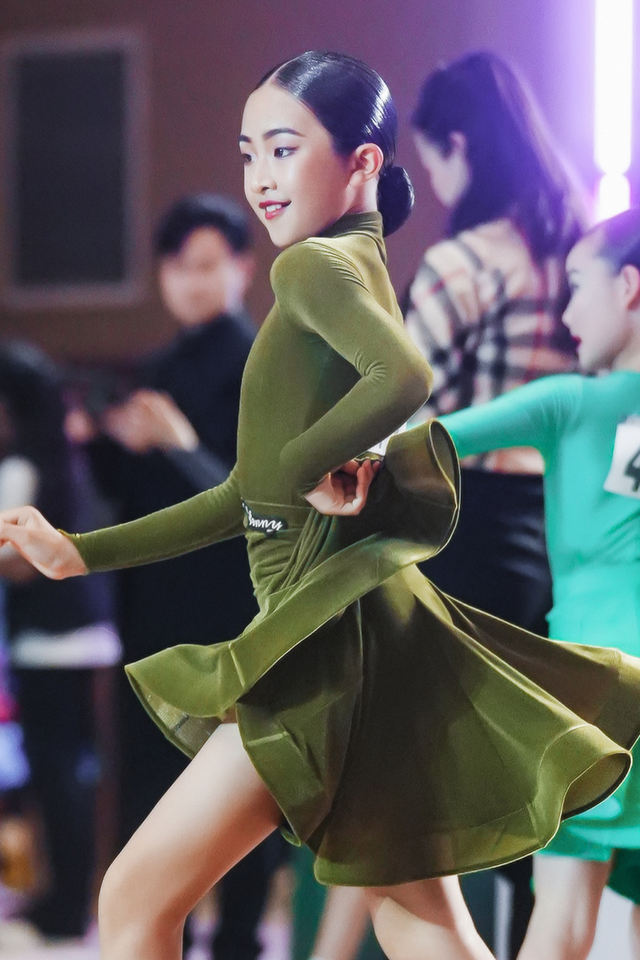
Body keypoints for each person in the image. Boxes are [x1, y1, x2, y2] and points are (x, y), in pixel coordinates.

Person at [1, 51, 640, 960]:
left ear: (363, 161)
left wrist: (316, 456)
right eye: (248, 153)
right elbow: (243, 496)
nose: (261, 178)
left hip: (321, 651)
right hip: (362, 633)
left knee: (136, 897)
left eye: (284, 148)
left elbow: (405, 375)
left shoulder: (310, 269)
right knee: (418, 920)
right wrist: (82, 551)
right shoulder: (356, 266)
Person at [308, 51, 585, 960]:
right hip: (553, 530)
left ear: (459, 145)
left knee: (395, 774)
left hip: (458, 526)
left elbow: (393, 395)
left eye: (433, 159)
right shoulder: (571, 253)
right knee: (518, 766)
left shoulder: (467, 261)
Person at [70, 194, 283, 960]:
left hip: (233, 610)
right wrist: (99, 442)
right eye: (177, 267)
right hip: (154, 611)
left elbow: (262, 503)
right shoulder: (154, 369)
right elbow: (127, 500)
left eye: (206, 265)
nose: (191, 282)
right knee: (151, 788)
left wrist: (179, 441)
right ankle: (161, 939)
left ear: (241, 268)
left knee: (241, 788)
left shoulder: (264, 363)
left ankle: (239, 941)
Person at [438, 207, 640, 960]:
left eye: (578, 285)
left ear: (628, 287)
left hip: (591, 694)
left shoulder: (572, 402)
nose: (565, 313)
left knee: (559, 922)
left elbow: (425, 442)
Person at [0, 340, 121, 943]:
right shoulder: (71, 457)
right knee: (76, 775)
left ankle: (66, 907)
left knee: (56, 776)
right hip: (91, 632)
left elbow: (16, 560)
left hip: (49, 641)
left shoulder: (22, 466)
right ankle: (72, 900)